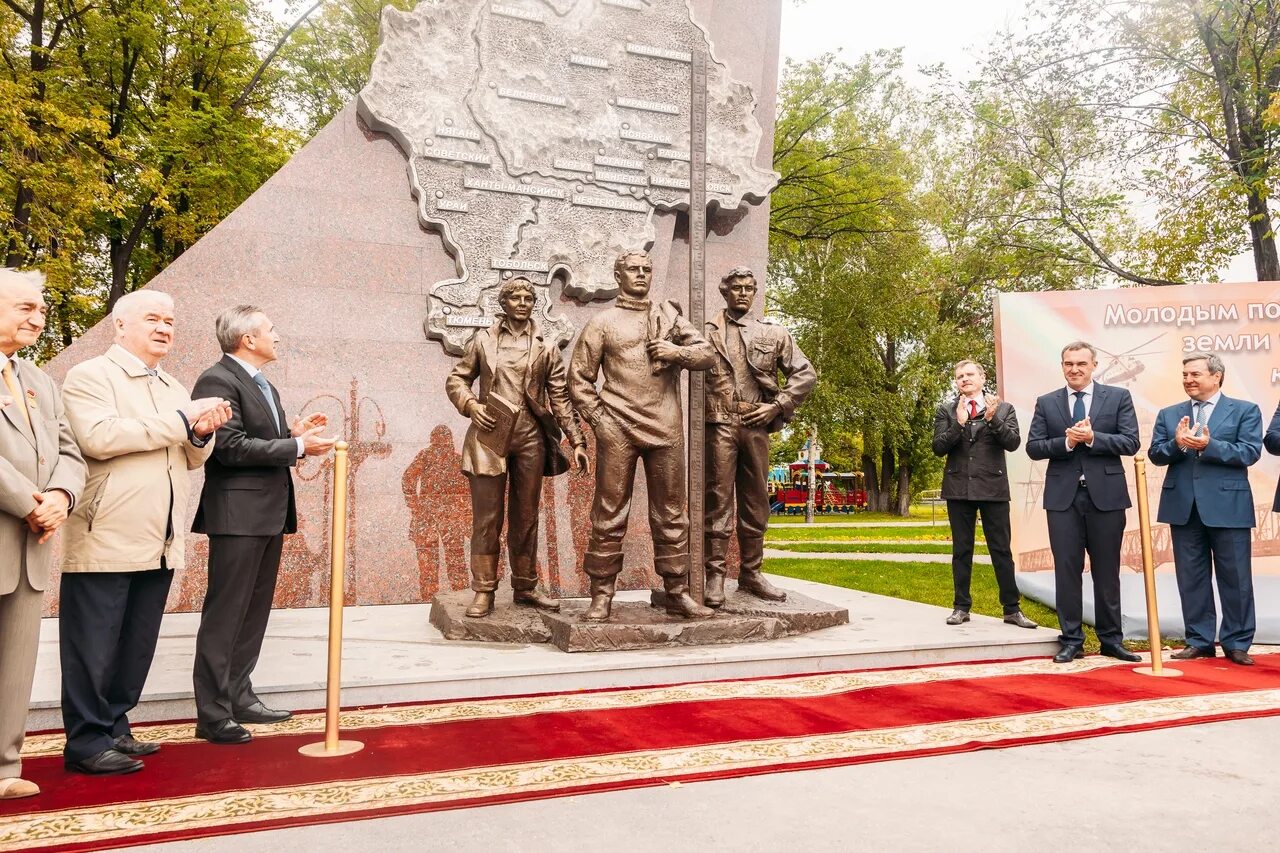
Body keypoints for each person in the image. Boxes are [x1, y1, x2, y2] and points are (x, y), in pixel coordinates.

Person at [58, 291, 230, 775]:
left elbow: (193, 457)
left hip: (160, 538)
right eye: (152, 319)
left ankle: (114, 724)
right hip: (106, 531)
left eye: (170, 320)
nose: (163, 328)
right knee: (92, 644)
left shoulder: (174, 384)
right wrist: (182, 420)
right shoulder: (90, 376)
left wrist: (201, 432)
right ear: (119, 327)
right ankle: (86, 741)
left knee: (135, 643)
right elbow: (100, 437)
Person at [190, 305, 334, 744]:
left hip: (268, 513)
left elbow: (260, 439)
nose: (278, 335)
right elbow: (228, 447)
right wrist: (296, 445)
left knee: (253, 612)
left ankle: (240, 695)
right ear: (247, 339)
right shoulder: (218, 380)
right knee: (226, 612)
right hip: (236, 516)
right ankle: (212, 714)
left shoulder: (261, 383)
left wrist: (293, 432)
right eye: (271, 329)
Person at [568, 250, 716, 621]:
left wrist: (676, 351)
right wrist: (598, 418)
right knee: (609, 511)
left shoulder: (669, 318)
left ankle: (676, 591)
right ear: (618, 275)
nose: (641, 274)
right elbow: (579, 379)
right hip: (616, 424)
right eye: (633, 269)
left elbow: (708, 355)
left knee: (670, 512)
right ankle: (602, 594)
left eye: (647, 269)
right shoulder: (602, 322)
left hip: (665, 426)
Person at [445, 277, 589, 617]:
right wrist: (471, 406)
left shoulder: (546, 346)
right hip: (490, 436)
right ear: (504, 303)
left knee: (526, 517)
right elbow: (457, 379)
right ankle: (483, 590)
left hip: (530, 437)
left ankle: (525, 585)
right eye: (516, 297)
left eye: (528, 297)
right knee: (487, 519)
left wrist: (577, 439)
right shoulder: (482, 341)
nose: (522, 302)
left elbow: (560, 397)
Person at [0, 268, 85, 799]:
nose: (37, 318)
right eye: (24, 308)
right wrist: (27, 502)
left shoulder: (38, 379)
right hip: (15, 522)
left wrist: (60, 497)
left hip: (30, 546)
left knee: (15, 662)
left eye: (42, 310)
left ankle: (5, 767)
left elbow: (69, 450)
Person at [703, 266, 815, 606]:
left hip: (755, 424)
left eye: (749, 288)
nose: (742, 293)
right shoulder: (705, 331)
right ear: (724, 291)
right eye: (736, 287)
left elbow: (805, 373)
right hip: (718, 423)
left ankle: (751, 573)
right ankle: (715, 576)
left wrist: (778, 406)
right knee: (717, 500)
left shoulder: (774, 333)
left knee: (755, 502)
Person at [1026, 341, 1140, 663]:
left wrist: (1092, 439)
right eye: (1068, 364)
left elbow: (1130, 441)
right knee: (1066, 570)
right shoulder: (1047, 402)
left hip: (1106, 497)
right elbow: (1034, 447)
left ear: (1094, 365)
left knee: (1107, 571)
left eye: (1080, 363)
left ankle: (1111, 640)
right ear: (1062, 366)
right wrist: (1066, 441)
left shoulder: (1118, 397)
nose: (1074, 369)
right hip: (1063, 499)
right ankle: (1072, 639)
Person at [1150, 351, 1261, 666]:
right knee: (1191, 577)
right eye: (1185, 374)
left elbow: (1249, 452)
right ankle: (1199, 641)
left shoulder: (1244, 410)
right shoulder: (1169, 414)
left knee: (1236, 577)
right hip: (1183, 506)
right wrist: (1179, 443)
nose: (1188, 380)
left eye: (1195, 374)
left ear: (1216, 376)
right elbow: (1156, 453)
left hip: (1229, 506)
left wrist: (1209, 446)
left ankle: (1237, 643)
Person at [931, 359, 1037, 629]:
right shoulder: (947, 409)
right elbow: (938, 447)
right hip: (958, 490)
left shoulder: (1003, 408)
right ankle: (961, 607)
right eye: (959, 376)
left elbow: (1013, 443)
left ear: (982, 377)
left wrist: (993, 419)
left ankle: (1012, 609)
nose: (964, 379)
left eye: (969, 374)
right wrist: (958, 424)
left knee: (1001, 550)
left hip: (993, 489)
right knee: (961, 550)